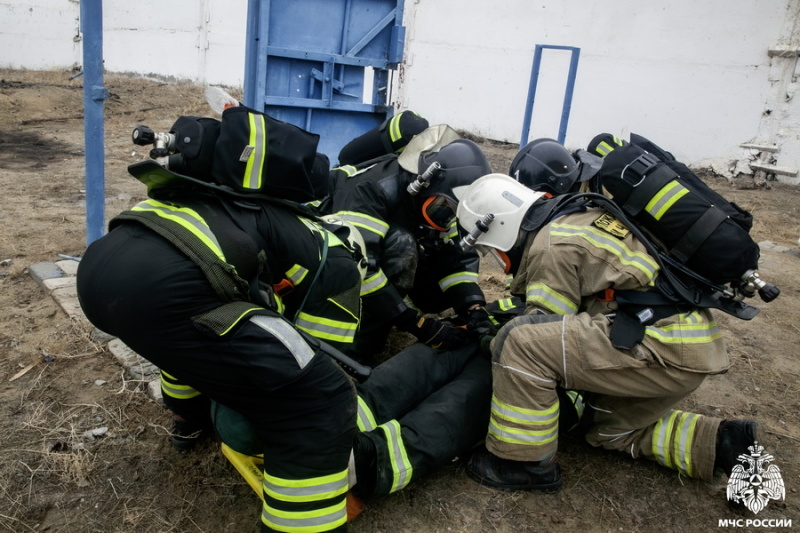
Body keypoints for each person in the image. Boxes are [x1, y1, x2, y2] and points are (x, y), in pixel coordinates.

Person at [77, 105, 368, 532]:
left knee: (194, 342)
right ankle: (307, 524)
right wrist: (309, 378)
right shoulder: (329, 247)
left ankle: (187, 422)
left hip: (101, 276)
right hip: (162, 295)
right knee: (319, 399)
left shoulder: (207, 195)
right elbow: (326, 351)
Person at [454, 167, 759, 492]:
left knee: (517, 342)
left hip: (658, 346)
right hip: (690, 346)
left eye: (493, 252)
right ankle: (725, 441)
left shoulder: (549, 246)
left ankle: (524, 464)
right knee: (605, 430)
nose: (500, 260)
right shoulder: (579, 214)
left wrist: (488, 340)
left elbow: (539, 332)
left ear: (500, 226)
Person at [320, 125, 495, 362]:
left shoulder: (443, 203)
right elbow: (359, 266)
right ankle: (359, 346)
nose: (445, 217)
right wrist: (415, 324)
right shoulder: (371, 188)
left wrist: (473, 307)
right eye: (441, 208)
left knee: (428, 254)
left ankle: (382, 317)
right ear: (424, 183)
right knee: (401, 245)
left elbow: (456, 261)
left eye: (452, 213)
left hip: (371, 254)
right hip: (326, 259)